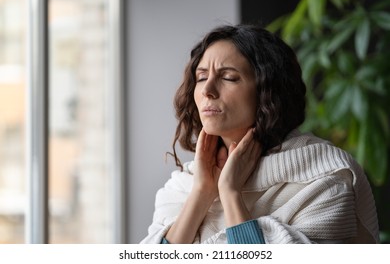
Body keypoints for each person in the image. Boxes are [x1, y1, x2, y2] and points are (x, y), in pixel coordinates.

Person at [141, 24, 379, 244]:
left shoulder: (326, 180)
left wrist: (231, 193)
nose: (208, 91)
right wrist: (202, 193)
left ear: (268, 92)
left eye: (228, 77)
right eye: (201, 77)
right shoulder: (184, 184)